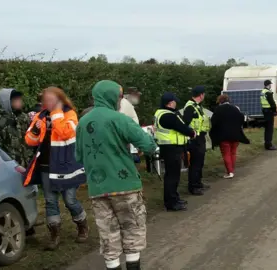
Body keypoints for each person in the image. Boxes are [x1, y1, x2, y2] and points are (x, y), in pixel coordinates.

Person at [76, 80, 156, 270]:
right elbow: (148, 145)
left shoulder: (82, 123)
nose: (120, 101)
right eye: (119, 97)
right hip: (125, 185)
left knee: (108, 234)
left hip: (98, 188)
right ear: (113, 97)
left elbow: (78, 156)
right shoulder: (120, 119)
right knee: (132, 229)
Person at [24, 87, 88, 251]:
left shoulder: (70, 114)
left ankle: (82, 225)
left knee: (70, 200)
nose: (47, 102)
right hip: (46, 166)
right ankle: (54, 235)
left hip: (67, 166)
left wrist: (56, 114)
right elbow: (30, 140)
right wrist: (37, 127)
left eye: (51, 99)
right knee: (50, 201)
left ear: (60, 99)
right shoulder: (41, 115)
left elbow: (66, 133)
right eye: (46, 99)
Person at [154, 92, 195, 211]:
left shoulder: (160, 113)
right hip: (172, 148)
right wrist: (192, 133)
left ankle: (174, 198)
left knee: (172, 175)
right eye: (174, 101)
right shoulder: (168, 115)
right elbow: (182, 128)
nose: (176, 103)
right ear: (170, 103)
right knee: (172, 176)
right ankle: (171, 202)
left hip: (169, 148)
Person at [0, 88, 33, 167]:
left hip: (27, 163)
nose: (20, 102)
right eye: (16, 100)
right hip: (10, 164)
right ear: (8, 102)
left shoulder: (24, 117)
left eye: (20, 99)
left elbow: (31, 138)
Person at [210, 95, 250, 179]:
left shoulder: (218, 109)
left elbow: (213, 122)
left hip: (223, 136)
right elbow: (242, 118)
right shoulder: (235, 108)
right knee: (233, 153)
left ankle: (230, 172)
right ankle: (232, 169)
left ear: (220, 101)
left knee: (226, 154)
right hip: (235, 135)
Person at [183, 86, 211, 195]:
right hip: (194, 139)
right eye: (204, 94)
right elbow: (185, 123)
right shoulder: (190, 107)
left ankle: (198, 183)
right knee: (195, 163)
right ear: (201, 95)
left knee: (200, 162)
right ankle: (193, 187)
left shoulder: (197, 106)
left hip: (200, 138)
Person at [260, 80, 277, 150]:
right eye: (270, 84)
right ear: (268, 85)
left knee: (267, 128)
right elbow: (272, 103)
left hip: (264, 111)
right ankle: (269, 145)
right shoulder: (268, 93)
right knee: (270, 129)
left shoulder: (262, 92)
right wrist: (275, 111)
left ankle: (266, 143)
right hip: (269, 112)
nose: (271, 86)